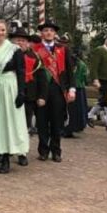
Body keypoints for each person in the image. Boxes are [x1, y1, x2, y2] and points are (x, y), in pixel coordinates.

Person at [0, 21, 29, 173]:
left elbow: (21, 71)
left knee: (8, 120)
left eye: (2, 30)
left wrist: (21, 92)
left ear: (6, 32)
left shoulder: (15, 50)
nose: (0, 32)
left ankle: (6, 156)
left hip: (9, 86)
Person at [31, 20, 75, 162]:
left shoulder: (63, 49)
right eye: (45, 30)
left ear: (55, 33)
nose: (48, 33)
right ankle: (43, 150)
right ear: (41, 33)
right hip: (41, 91)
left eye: (51, 30)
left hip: (57, 89)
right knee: (42, 121)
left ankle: (56, 150)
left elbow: (69, 70)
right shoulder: (35, 49)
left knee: (57, 121)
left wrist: (72, 89)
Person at [9, 25, 47, 141]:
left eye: (23, 40)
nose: (20, 43)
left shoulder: (36, 57)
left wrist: (42, 96)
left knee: (25, 123)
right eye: (17, 40)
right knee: (11, 123)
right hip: (10, 93)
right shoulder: (6, 56)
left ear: (28, 43)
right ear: (12, 42)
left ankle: (22, 150)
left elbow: (42, 79)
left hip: (29, 96)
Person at [65, 45, 89, 137]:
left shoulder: (72, 63)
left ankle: (69, 128)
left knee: (72, 110)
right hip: (79, 87)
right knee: (77, 110)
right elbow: (85, 77)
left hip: (73, 87)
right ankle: (73, 127)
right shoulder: (81, 64)